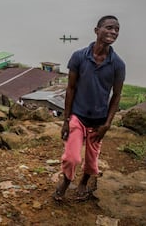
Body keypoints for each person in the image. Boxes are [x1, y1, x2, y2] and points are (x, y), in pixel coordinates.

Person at [53, 15, 125, 202]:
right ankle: (67, 181)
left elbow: (116, 95)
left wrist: (107, 124)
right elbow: (71, 88)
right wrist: (66, 120)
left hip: (99, 121)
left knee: (92, 160)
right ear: (96, 30)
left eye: (116, 29)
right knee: (71, 157)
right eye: (109, 27)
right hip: (78, 116)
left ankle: (84, 182)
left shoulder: (118, 64)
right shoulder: (79, 57)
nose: (113, 32)